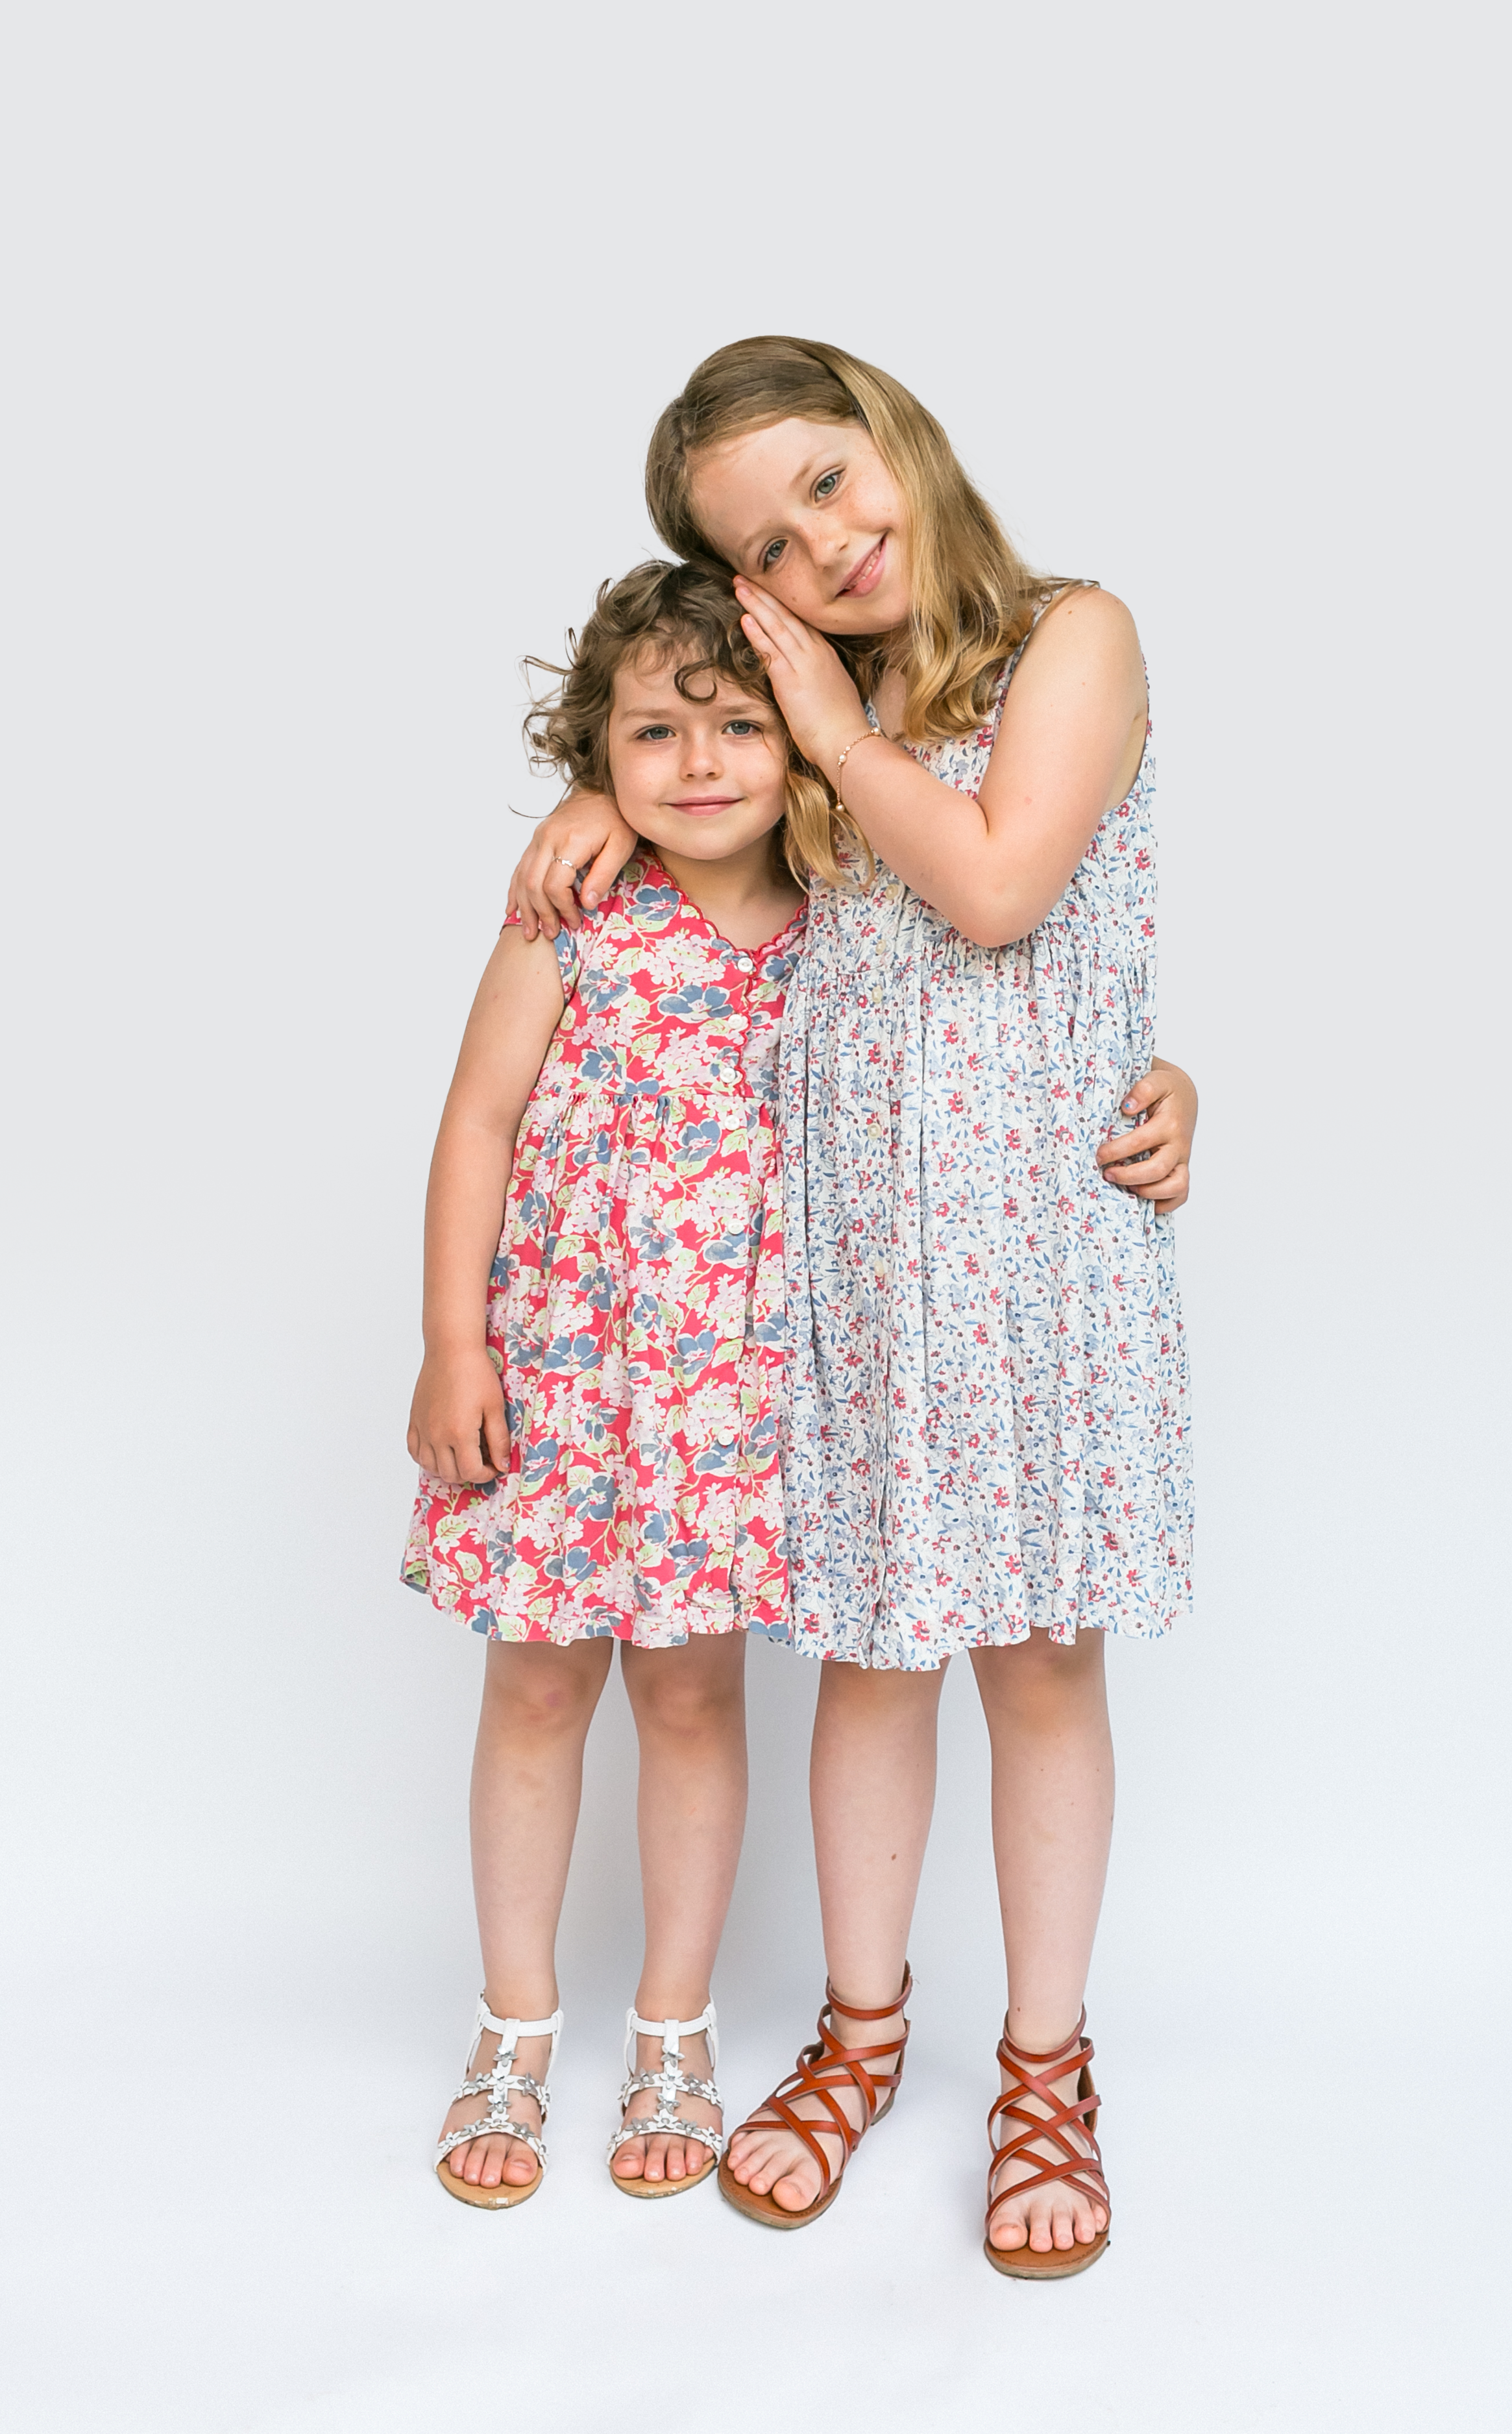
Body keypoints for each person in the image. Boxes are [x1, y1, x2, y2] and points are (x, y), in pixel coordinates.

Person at [506, 338, 1197, 2276]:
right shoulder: (794, 703)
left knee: (1039, 1658)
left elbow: (994, 888)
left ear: (891, 425)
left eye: (826, 478)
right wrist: (595, 814)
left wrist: (1175, 1085)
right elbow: (695, 826)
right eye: (768, 546)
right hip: (846, 1257)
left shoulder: (1068, 634)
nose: (824, 542)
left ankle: (1043, 2064)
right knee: (873, 1654)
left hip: (1038, 1246)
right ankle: (858, 2026)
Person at [404, 558, 838, 2207]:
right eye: (653, 732)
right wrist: (458, 1341)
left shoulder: (842, 923)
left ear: (801, 741)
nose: (701, 762)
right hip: (563, 1381)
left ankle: (674, 2025)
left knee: (690, 1698)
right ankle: (513, 2028)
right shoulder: (571, 905)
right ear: (596, 752)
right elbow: (477, 1121)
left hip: (728, 1400)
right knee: (531, 1689)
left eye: (738, 724)